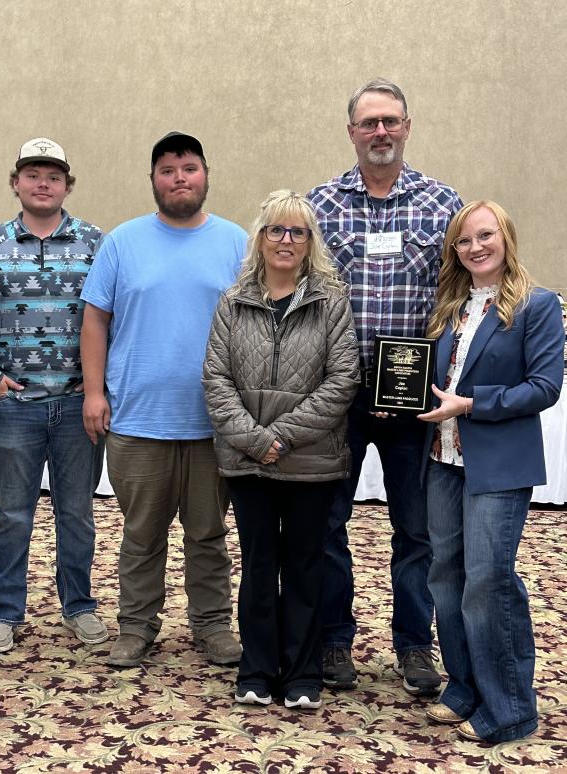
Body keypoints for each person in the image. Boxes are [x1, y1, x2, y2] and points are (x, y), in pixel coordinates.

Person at [307, 78, 463, 694]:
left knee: (416, 529)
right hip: (337, 394)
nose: (380, 131)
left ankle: (414, 646)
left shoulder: (443, 203)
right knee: (328, 525)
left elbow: (458, 294)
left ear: (406, 127)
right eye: (369, 122)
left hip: (412, 398)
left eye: (390, 121)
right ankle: (335, 641)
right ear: (351, 131)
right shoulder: (321, 205)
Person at [80, 131, 246, 667]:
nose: (180, 178)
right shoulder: (122, 242)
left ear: (206, 174)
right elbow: (95, 320)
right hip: (137, 419)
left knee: (208, 534)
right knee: (141, 535)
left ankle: (212, 626)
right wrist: (93, 392)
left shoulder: (237, 243)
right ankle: (136, 625)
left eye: (190, 168)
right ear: (153, 179)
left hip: (214, 423)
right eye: (169, 170)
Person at [203, 190, 359, 709]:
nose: (285, 240)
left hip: (311, 463)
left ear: (310, 242)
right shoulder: (233, 301)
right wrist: (254, 440)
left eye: (297, 232)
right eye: (276, 230)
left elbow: (342, 381)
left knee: (305, 565)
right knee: (258, 563)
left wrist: (282, 436)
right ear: (261, 238)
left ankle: (302, 676)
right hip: (248, 464)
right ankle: (257, 670)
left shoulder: (331, 303)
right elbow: (216, 379)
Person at [417, 200, 563, 743]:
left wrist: (472, 405)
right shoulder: (450, 305)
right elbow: (432, 380)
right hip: (442, 461)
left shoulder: (538, 305)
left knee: (488, 583)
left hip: (497, 466)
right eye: (464, 240)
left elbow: (544, 388)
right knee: (445, 578)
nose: (475, 247)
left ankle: (510, 709)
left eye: (486, 235)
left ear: (506, 236)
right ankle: (463, 687)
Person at [0, 137, 107, 653]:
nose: (43, 183)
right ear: (16, 181)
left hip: (75, 405)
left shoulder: (95, 244)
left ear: (67, 184)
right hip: (12, 406)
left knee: (77, 513)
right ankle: (4, 611)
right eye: (33, 174)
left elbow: (112, 316)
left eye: (54, 176)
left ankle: (80, 605)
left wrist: (98, 385)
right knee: (11, 512)